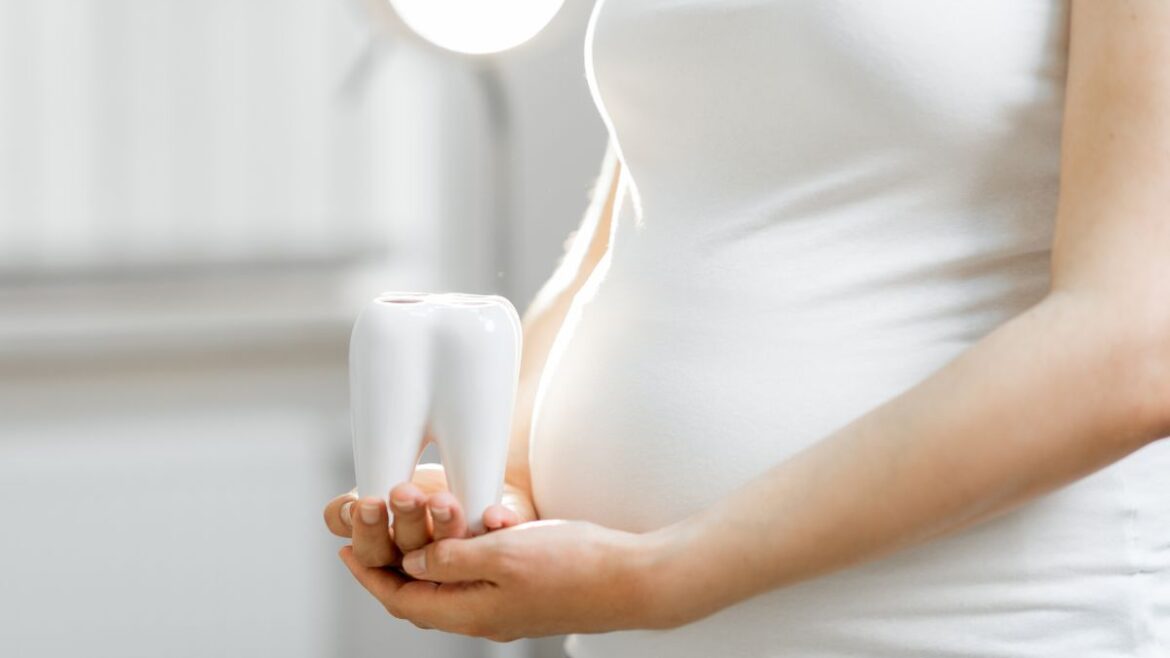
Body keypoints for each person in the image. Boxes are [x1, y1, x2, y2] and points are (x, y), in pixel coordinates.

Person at [324, 1, 1170, 655]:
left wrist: (666, 575)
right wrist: (500, 482)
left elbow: (1137, 344)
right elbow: (656, 204)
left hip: (972, 623)